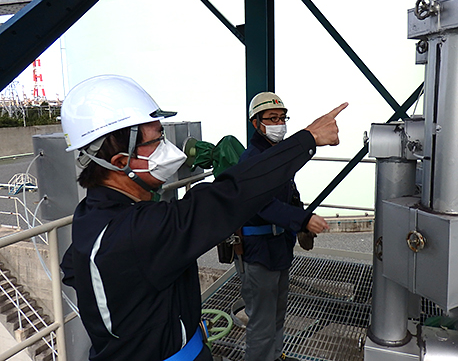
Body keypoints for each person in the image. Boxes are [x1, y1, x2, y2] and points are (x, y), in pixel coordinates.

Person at [58, 74, 347, 361]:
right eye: (158, 141)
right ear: (120, 161)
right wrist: (307, 139)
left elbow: (72, 268)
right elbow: (230, 195)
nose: (169, 150)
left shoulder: (93, 216)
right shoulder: (137, 231)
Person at [237, 92, 330, 361]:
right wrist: (301, 220)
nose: (279, 124)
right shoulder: (252, 159)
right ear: (256, 123)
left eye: (282, 118)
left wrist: (299, 222)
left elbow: (290, 193)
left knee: (277, 315)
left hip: (278, 248)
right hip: (258, 252)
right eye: (271, 119)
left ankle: (275, 356)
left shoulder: (277, 154)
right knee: (262, 324)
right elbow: (260, 204)